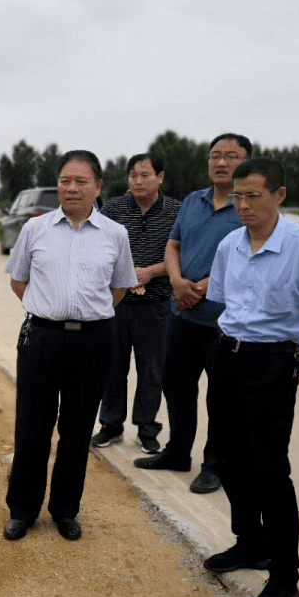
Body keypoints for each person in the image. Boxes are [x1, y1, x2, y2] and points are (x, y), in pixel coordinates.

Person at [202, 158, 299, 597]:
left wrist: (297, 354)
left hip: (272, 363)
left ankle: (285, 576)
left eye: (252, 196)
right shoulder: (229, 245)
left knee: (270, 469)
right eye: (237, 196)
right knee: (231, 460)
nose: (242, 205)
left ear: (279, 195)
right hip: (226, 357)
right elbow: (222, 301)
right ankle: (250, 543)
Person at [2, 151, 137, 542]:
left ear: (97, 186)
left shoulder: (115, 234)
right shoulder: (36, 229)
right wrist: (51, 313)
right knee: (31, 427)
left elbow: (120, 287)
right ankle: (22, 510)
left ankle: (65, 510)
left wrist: (85, 317)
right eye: (65, 180)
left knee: (77, 431)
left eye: (80, 181)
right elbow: (18, 281)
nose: (71, 188)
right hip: (41, 339)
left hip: (93, 343)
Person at [133, 133, 250, 494]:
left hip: (223, 322)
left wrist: (203, 287)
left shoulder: (248, 206)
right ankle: (178, 452)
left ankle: (215, 464)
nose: (221, 162)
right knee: (177, 387)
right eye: (215, 155)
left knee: (221, 397)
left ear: (246, 162)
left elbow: (249, 255)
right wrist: (177, 281)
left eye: (231, 156)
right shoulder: (193, 201)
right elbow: (174, 244)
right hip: (181, 315)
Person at [93, 154, 182, 454]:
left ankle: (147, 429)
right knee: (111, 367)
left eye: (145, 175)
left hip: (157, 305)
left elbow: (181, 254)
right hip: (116, 302)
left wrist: (151, 272)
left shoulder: (175, 211)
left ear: (160, 177)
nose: (138, 181)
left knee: (152, 370)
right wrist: (126, 275)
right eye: (133, 175)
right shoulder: (113, 208)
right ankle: (110, 424)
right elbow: (98, 248)